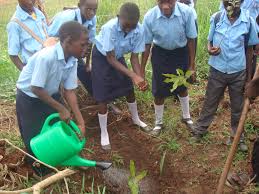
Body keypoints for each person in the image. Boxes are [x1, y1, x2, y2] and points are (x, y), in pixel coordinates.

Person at [16, 21, 87, 176]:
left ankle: (64, 157)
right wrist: (61, 108)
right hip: (30, 98)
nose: (85, 49)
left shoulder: (73, 59)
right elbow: (36, 88)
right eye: (82, 45)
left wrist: (80, 122)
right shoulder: (46, 57)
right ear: (68, 41)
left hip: (50, 93)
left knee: (62, 126)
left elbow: (69, 91)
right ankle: (40, 171)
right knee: (34, 135)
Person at [191, 0, 259, 152]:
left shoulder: (248, 21)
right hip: (217, 70)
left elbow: (250, 51)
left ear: (240, 3)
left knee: (237, 106)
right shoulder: (216, 18)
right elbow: (209, 42)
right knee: (210, 101)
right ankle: (200, 130)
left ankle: (237, 137)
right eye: (229, 2)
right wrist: (210, 50)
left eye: (235, 3)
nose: (232, 6)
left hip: (238, 72)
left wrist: (249, 79)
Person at [92, 2, 150, 150]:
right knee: (102, 96)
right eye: (126, 25)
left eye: (133, 25)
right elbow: (110, 59)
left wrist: (139, 78)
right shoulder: (109, 28)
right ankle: (104, 132)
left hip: (117, 58)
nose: (129, 28)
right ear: (119, 18)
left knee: (129, 88)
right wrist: (132, 75)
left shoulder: (139, 29)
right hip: (102, 57)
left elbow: (134, 58)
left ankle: (136, 119)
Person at [141, 0, 197, 136]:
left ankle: (186, 117)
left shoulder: (187, 12)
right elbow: (147, 45)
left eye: (170, 2)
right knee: (159, 90)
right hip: (161, 54)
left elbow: (191, 39)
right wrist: (141, 71)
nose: (166, 6)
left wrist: (191, 64)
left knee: (182, 87)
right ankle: (158, 123)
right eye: (161, 2)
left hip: (181, 53)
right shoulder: (149, 17)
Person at [48, 0, 97, 95]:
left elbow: (90, 41)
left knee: (84, 72)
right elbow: (50, 38)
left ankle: (97, 97)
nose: (92, 13)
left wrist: (87, 64)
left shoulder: (92, 18)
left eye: (95, 10)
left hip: (74, 51)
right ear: (79, 6)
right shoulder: (68, 17)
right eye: (88, 9)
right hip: (57, 50)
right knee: (56, 77)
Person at [7, 0, 48, 71]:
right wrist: (26, 72)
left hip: (49, 63)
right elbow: (13, 54)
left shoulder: (39, 14)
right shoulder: (14, 24)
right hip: (34, 67)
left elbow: (47, 35)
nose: (30, 2)